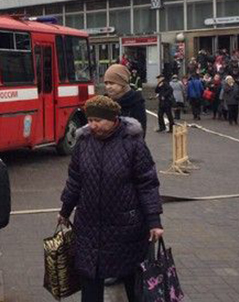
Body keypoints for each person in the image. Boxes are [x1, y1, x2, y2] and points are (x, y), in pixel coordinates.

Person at [58, 95, 163, 302]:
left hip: (125, 227)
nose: (92, 125)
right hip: (89, 226)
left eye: (98, 121)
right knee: (90, 281)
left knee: (132, 281)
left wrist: (154, 222)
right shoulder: (84, 142)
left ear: (114, 119)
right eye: (90, 120)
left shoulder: (133, 144)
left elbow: (147, 184)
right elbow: (75, 180)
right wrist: (65, 210)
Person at [103, 64, 147, 137]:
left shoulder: (135, 102)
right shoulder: (104, 103)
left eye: (112, 83)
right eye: (106, 83)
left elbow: (139, 134)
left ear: (122, 83)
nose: (108, 87)